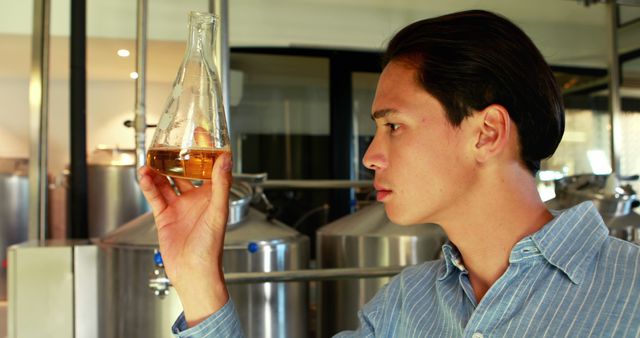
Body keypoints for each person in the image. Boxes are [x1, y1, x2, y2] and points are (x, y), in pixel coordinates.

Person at [139, 9, 640, 338]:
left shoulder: (630, 291)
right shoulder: (402, 309)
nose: (370, 156)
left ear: (487, 132)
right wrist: (199, 275)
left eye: (393, 126)